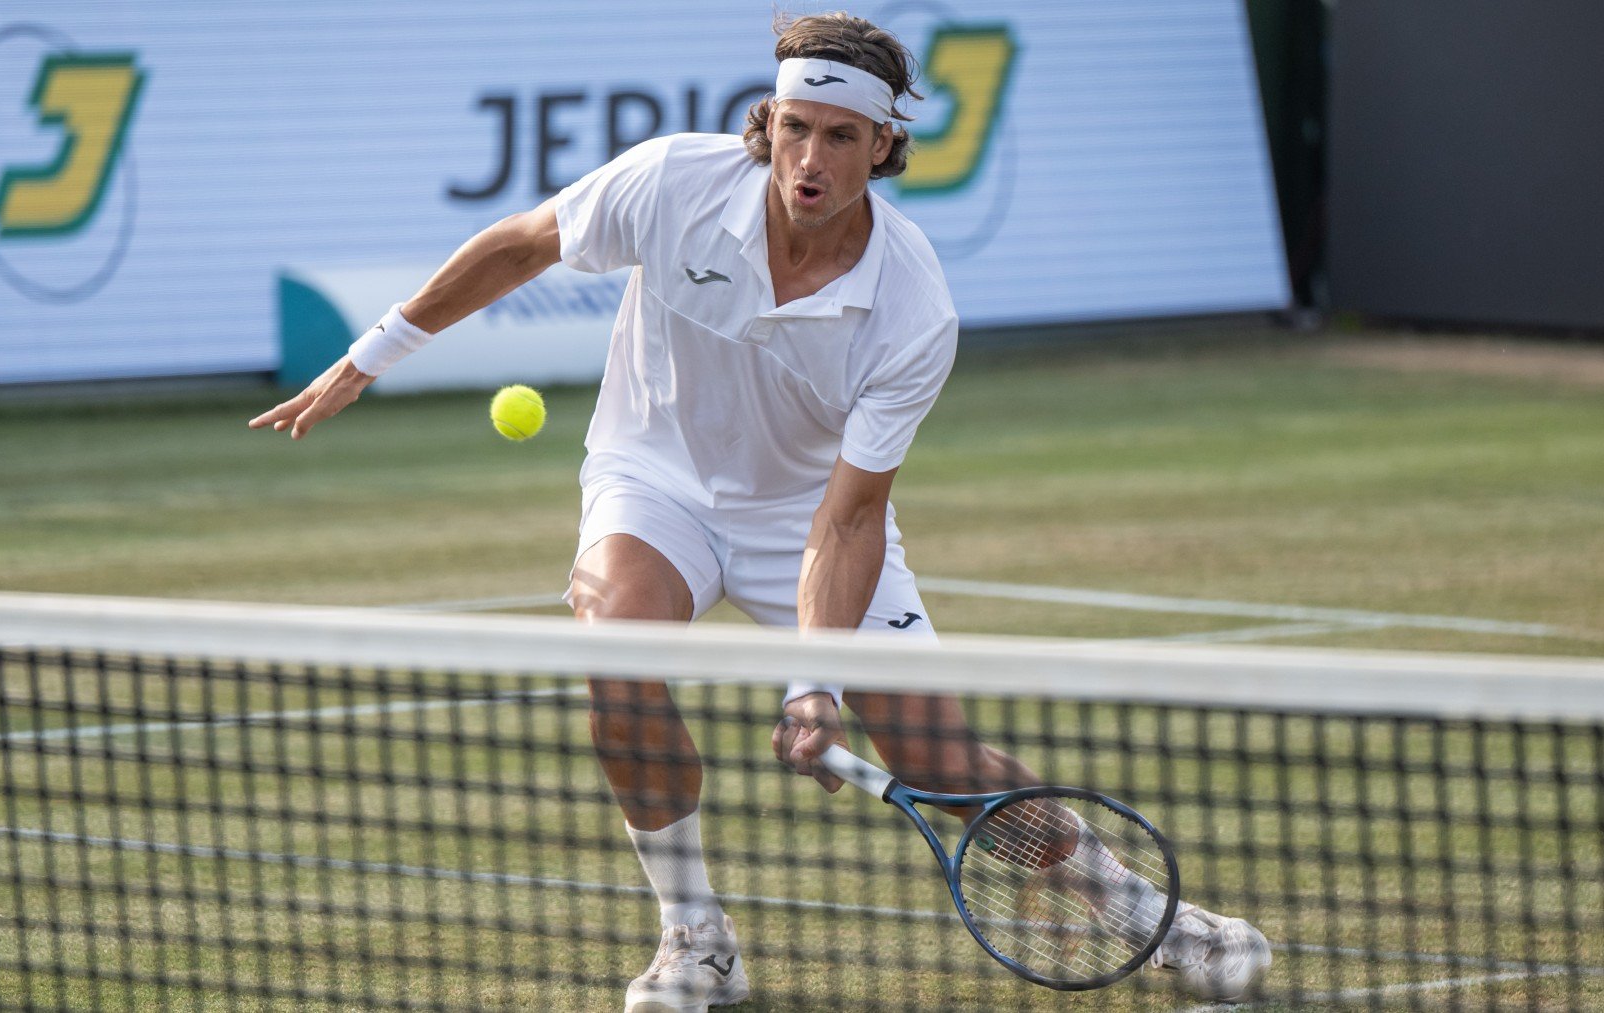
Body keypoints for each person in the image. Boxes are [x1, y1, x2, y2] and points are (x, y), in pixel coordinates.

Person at [251, 13, 1271, 1011]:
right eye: (794, 128)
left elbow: (850, 516)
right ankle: (696, 937)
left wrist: (812, 681)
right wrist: (365, 358)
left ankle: (1157, 917)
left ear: (882, 145)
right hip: (656, 477)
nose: (809, 158)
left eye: (838, 136)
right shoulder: (670, 184)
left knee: (940, 761)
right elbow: (523, 246)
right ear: (766, 124)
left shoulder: (912, 306)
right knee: (616, 657)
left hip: (806, 515)